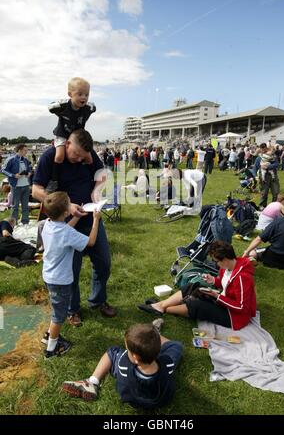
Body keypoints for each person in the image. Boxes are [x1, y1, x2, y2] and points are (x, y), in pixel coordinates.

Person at [32, 129, 116, 327]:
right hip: (66, 223)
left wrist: (96, 191)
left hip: (90, 217)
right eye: (76, 154)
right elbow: (36, 191)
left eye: (83, 156)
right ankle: (73, 309)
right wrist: (66, 206)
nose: (79, 159)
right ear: (67, 144)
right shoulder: (50, 157)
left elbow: (101, 174)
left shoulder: (88, 154)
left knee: (103, 262)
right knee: (71, 270)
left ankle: (97, 300)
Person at [138, 241, 256, 331]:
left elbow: (241, 307)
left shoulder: (242, 277)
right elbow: (226, 284)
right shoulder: (228, 267)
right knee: (194, 286)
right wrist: (213, 280)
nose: (216, 264)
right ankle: (160, 305)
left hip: (234, 316)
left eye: (217, 261)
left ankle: (163, 308)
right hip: (224, 301)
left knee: (198, 306)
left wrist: (217, 296)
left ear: (225, 259)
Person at [62, 322, 183, 409]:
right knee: (176, 346)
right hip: (160, 402)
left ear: (135, 357)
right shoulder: (167, 365)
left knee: (113, 351)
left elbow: (120, 356)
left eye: (127, 349)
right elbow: (169, 355)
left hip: (132, 401)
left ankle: (92, 382)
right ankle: (154, 333)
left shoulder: (124, 365)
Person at [41, 192, 101, 358]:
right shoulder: (66, 234)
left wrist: (77, 218)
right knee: (58, 316)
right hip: (60, 280)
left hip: (49, 275)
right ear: (66, 212)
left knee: (57, 308)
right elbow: (91, 242)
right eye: (69, 204)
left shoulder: (47, 223)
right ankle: (51, 350)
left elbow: (64, 230)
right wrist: (96, 220)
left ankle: (49, 336)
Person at [47, 77, 96, 192]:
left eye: (86, 94)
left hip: (76, 137)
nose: (84, 97)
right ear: (70, 94)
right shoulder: (64, 106)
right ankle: (54, 180)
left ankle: (90, 177)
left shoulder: (87, 108)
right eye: (80, 94)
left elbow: (93, 107)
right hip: (63, 134)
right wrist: (58, 105)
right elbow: (51, 107)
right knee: (59, 156)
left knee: (89, 158)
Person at [243, 202, 284, 269]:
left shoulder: (277, 222)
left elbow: (259, 239)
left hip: (273, 257)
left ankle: (251, 257)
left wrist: (247, 252)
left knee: (253, 251)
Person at [2, 144, 32, 224]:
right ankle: (13, 224)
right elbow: (3, 170)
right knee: (15, 206)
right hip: (16, 186)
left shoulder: (26, 160)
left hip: (26, 185)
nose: (27, 152)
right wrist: (13, 175)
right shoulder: (11, 159)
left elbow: (29, 169)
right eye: (25, 150)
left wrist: (29, 173)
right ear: (19, 150)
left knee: (25, 206)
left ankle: (25, 222)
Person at [254, 143, 279, 208]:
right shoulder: (259, 158)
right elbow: (255, 168)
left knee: (275, 192)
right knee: (264, 193)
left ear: (266, 148)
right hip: (263, 176)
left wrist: (268, 166)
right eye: (261, 149)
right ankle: (262, 206)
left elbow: (277, 164)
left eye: (264, 149)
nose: (263, 150)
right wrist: (255, 176)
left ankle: (274, 207)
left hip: (273, 176)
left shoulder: (272, 156)